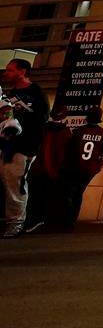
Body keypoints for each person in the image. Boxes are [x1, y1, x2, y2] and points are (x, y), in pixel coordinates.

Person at [1, 59, 50, 238]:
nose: (6, 74)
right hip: (7, 144)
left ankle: (16, 223)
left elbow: (42, 119)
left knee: (16, 183)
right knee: (8, 182)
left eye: (10, 70)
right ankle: (11, 220)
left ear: (22, 71)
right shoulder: (10, 93)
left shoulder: (36, 93)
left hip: (24, 146)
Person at [23, 107, 72, 233]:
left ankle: (30, 220)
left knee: (33, 196)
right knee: (48, 197)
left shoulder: (43, 129)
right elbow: (63, 154)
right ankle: (42, 220)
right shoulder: (65, 132)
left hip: (37, 167)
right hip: (53, 170)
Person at [62, 107, 103, 228]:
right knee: (79, 193)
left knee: (69, 193)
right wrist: (97, 167)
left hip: (75, 166)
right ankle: (72, 220)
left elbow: (69, 150)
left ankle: (67, 219)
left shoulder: (78, 131)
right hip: (89, 169)